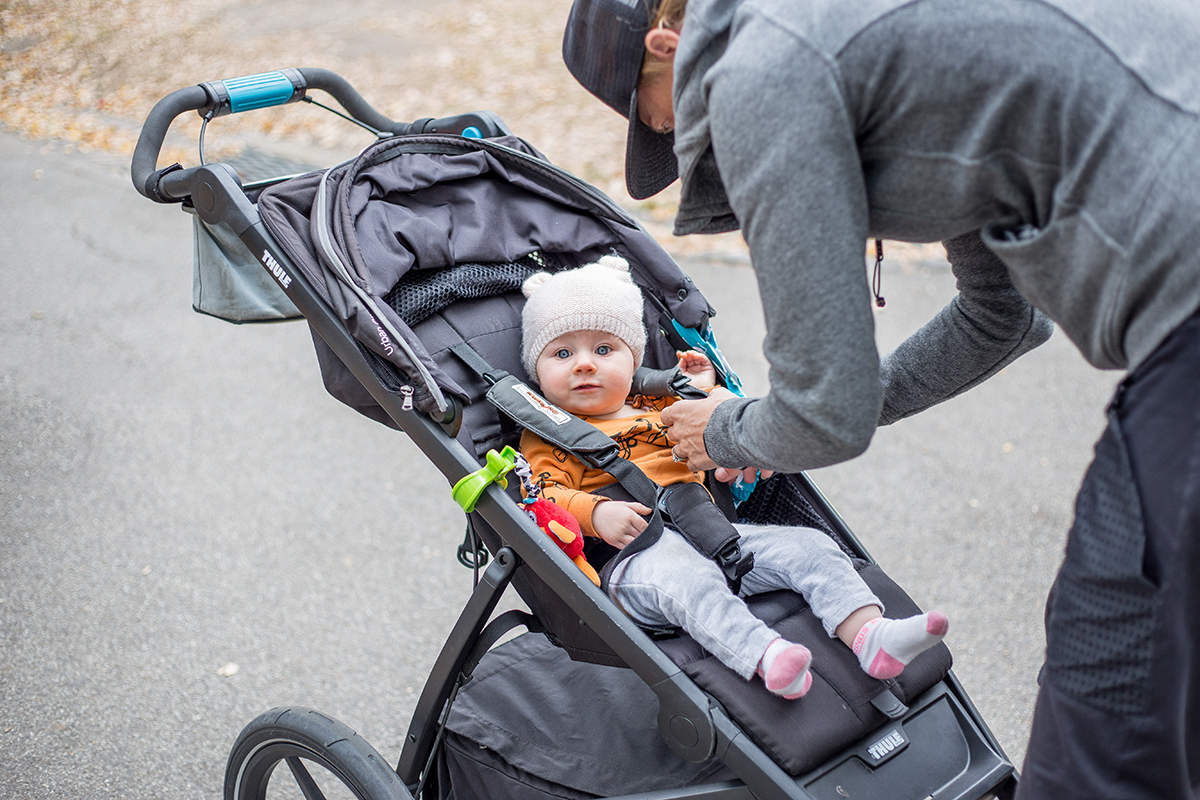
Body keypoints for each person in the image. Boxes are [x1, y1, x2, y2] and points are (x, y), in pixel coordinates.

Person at [561, 0, 1200, 797]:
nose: (675, 142)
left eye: (652, 120)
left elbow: (825, 408)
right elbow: (1001, 318)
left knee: (1108, 687)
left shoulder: (762, 69)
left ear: (669, 47)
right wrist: (797, 415)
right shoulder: (860, 35)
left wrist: (726, 432)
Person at [518, 254, 949, 699]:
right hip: (637, 564)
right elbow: (540, 496)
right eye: (563, 353)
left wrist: (701, 386)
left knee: (810, 545)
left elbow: (707, 429)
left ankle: (870, 634)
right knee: (692, 581)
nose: (584, 365)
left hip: (716, 536)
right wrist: (596, 511)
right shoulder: (548, 436)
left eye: (604, 350)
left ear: (634, 360)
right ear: (537, 370)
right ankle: (766, 656)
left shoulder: (660, 407)